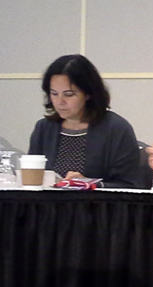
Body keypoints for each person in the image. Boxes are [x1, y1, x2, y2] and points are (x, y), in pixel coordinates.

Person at [28, 54, 142, 188]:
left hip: (96, 206)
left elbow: (129, 185)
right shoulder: (44, 128)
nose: (60, 102)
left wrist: (90, 184)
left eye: (69, 94)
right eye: (54, 94)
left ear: (88, 94)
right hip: (49, 207)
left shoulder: (116, 129)